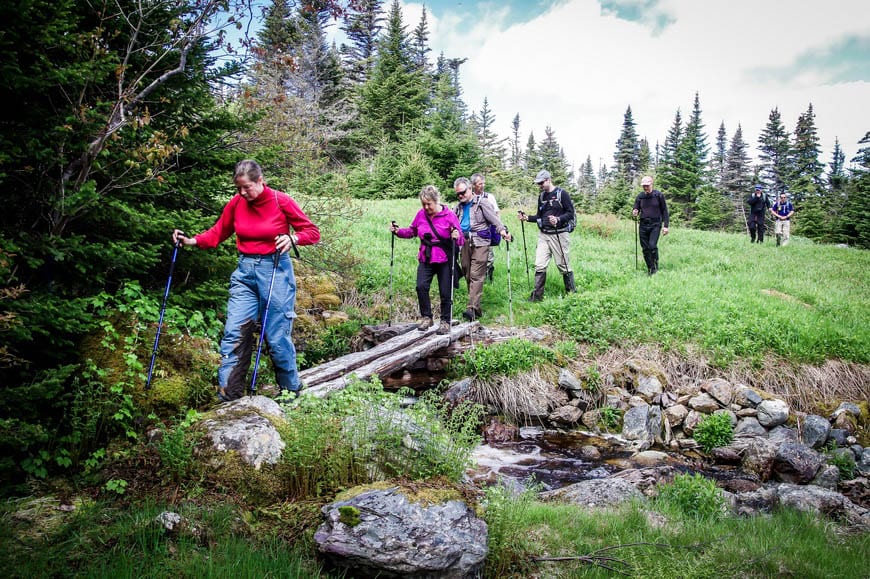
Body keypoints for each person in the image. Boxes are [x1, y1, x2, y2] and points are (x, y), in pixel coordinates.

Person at [173, 160, 320, 401]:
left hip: (275, 271)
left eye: (247, 187)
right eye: (238, 188)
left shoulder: (280, 201)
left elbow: (313, 233)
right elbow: (218, 232)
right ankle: (229, 395)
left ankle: (290, 392)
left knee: (276, 336)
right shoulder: (237, 203)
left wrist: (293, 238)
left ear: (260, 181)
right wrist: (190, 241)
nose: (242, 193)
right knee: (234, 332)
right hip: (244, 273)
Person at [390, 185, 463, 335]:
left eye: (428, 204)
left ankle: (445, 321)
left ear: (436, 201)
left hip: (444, 258)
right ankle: (427, 317)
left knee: (445, 291)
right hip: (426, 256)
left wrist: (456, 235)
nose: (426, 207)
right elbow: (412, 232)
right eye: (423, 204)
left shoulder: (449, 215)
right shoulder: (421, 215)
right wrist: (398, 232)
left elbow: (460, 238)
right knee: (421, 286)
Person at [454, 177, 511, 320]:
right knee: (467, 272)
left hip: (480, 242)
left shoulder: (482, 203)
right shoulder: (458, 207)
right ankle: (476, 307)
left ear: (470, 189)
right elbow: (451, 222)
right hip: (464, 242)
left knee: (476, 274)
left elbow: (495, 220)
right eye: (458, 194)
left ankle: (471, 308)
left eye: (463, 192)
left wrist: (503, 231)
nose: (460, 196)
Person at [518, 169, 576, 301]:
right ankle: (537, 297)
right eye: (538, 184)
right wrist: (527, 218)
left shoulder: (562, 194)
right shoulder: (542, 197)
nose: (540, 186)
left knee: (563, 264)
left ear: (548, 180)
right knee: (539, 264)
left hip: (559, 234)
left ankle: (571, 294)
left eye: (541, 183)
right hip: (544, 235)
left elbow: (570, 213)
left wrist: (558, 219)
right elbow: (540, 217)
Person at [632, 175, 669, 275]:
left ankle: (655, 265)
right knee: (645, 248)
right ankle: (650, 268)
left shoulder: (658, 195)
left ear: (651, 184)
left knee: (652, 246)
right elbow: (635, 209)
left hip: (655, 224)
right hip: (643, 225)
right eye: (644, 185)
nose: (645, 187)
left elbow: (665, 211)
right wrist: (635, 212)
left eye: (647, 185)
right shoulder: (640, 197)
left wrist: (666, 226)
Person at [471, 173, 499, 283]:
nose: (482, 186)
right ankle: (475, 277)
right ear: (473, 185)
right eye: (480, 184)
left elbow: (497, 213)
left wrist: (499, 227)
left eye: (484, 183)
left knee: (489, 255)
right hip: (472, 232)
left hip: (488, 230)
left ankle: (488, 278)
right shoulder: (469, 197)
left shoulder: (489, 197)